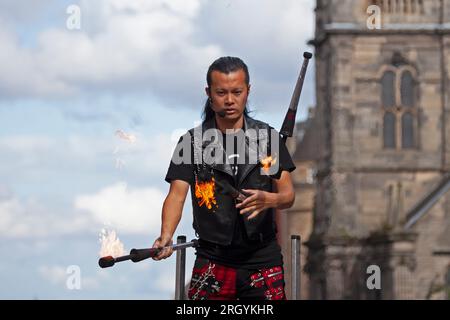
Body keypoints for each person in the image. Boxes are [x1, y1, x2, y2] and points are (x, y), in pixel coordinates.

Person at [152, 56, 296, 300]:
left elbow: (288, 195)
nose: (230, 100)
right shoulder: (191, 143)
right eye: (221, 92)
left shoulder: (267, 140)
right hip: (213, 258)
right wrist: (166, 235)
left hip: (262, 259)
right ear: (209, 93)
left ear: (248, 91)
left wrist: (269, 200)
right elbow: (176, 196)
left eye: (237, 92)